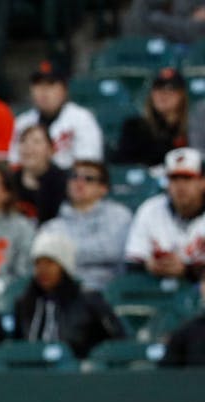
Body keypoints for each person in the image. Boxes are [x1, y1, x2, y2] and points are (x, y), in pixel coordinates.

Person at [11, 232, 125, 359]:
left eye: (49, 262)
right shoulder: (24, 303)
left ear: (64, 266)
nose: (42, 269)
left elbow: (117, 342)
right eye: (38, 263)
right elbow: (17, 346)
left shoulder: (89, 301)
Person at [37, 161, 133, 291]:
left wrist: (66, 254)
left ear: (103, 189)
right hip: (66, 294)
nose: (79, 182)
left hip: (109, 290)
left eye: (88, 179)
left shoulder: (119, 215)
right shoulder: (53, 226)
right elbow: (47, 262)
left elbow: (113, 251)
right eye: (74, 177)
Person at [125, 146, 205, 282]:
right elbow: (132, 261)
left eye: (187, 178)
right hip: (155, 294)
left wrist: (186, 270)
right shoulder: (150, 209)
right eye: (174, 178)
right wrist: (148, 264)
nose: (180, 186)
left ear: (202, 182)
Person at [7, 59, 103, 171]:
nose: (44, 91)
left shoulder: (82, 119)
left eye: (51, 84)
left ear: (64, 89)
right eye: (38, 84)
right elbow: (14, 162)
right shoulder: (22, 122)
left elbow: (89, 165)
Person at [114, 67, 189, 168]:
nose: (163, 95)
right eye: (158, 89)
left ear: (181, 95)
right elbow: (123, 165)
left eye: (170, 89)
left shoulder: (191, 129)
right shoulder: (134, 128)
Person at [10, 125, 66, 224]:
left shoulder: (64, 182)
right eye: (23, 141)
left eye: (36, 142)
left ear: (50, 150)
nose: (28, 146)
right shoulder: (9, 180)